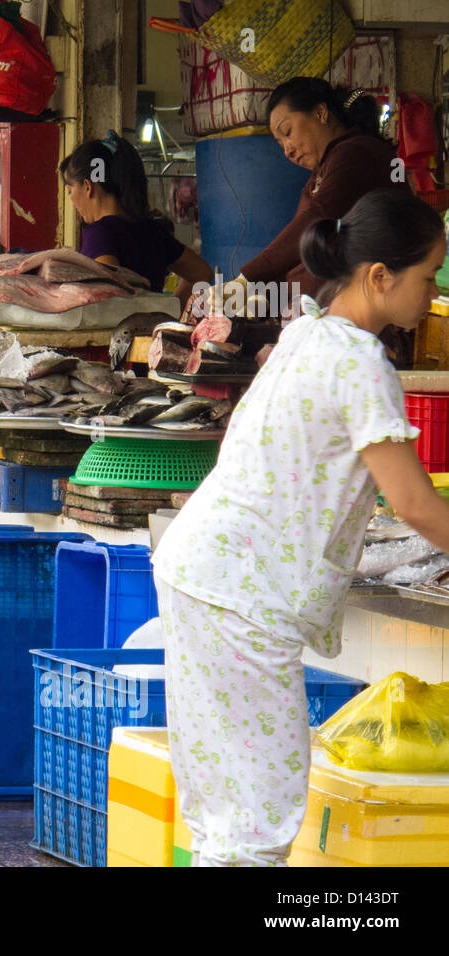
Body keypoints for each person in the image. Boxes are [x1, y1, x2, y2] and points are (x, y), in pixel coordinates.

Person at [152, 188, 449, 866]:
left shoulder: (309, 328)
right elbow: (415, 504)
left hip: (205, 575)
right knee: (258, 812)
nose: (431, 294)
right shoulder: (362, 362)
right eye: (429, 276)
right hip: (241, 596)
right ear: (381, 276)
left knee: (225, 812)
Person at [228, 79, 397, 307]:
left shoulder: (356, 153)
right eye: (280, 143)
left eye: (287, 133)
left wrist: (247, 278)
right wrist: (265, 295)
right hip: (317, 316)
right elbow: (301, 250)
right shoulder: (326, 168)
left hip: (350, 322)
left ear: (320, 112)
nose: (287, 150)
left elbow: (319, 217)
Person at [60, 130, 213, 301]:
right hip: (154, 327)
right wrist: (169, 311)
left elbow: (105, 299)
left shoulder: (100, 233)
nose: (72, 201)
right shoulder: (152, 229)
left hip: (117, 328)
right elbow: (202, 273)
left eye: (70, 191)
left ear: (88, 187)